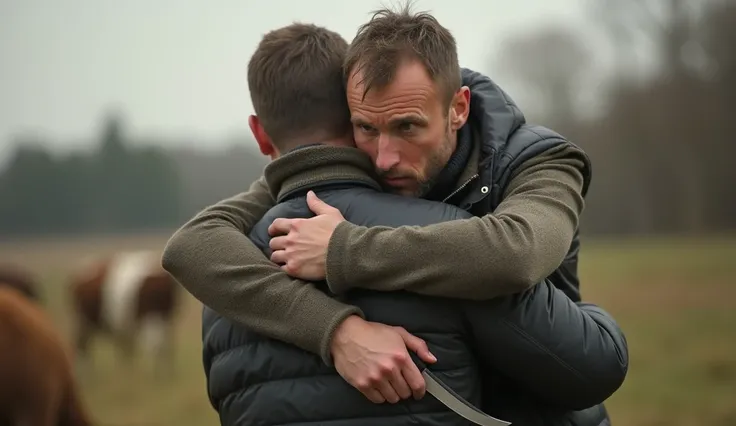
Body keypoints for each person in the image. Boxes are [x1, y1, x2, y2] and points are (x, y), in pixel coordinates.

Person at [163, 5, 628, 425]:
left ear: (458, 109)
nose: (384, 158)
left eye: (408, 127)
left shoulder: (541, 163)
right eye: (366, 129)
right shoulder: (348, 172)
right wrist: (338, 330)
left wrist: (345, 249)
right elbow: (193, 244)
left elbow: (516, 253)